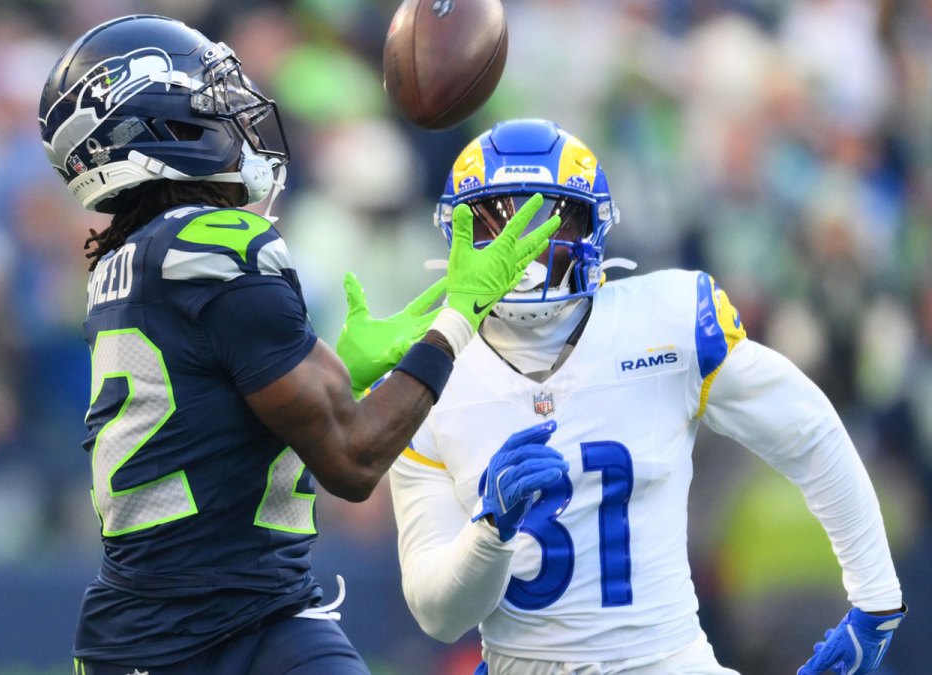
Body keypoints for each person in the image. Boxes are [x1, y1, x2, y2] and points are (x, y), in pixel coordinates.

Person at [37, 15, 559, 675]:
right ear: (160, 129)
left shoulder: (133, 258)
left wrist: (342, 368)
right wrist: (458, 318)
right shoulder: (217, 244)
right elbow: (352, 460)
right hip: (176, 641)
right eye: (213, 104)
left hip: (241, 610)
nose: (240, 120)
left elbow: (227, 400)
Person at [386, 119, 907, 675]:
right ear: (456, 235)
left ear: (591, 228)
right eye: (496, 222)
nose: (525, 251)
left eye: (548, 222)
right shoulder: (431, 372)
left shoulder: (666, 320)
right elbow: (436, 613)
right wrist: (489, 531)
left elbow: (809, 431)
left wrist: (875, 600)